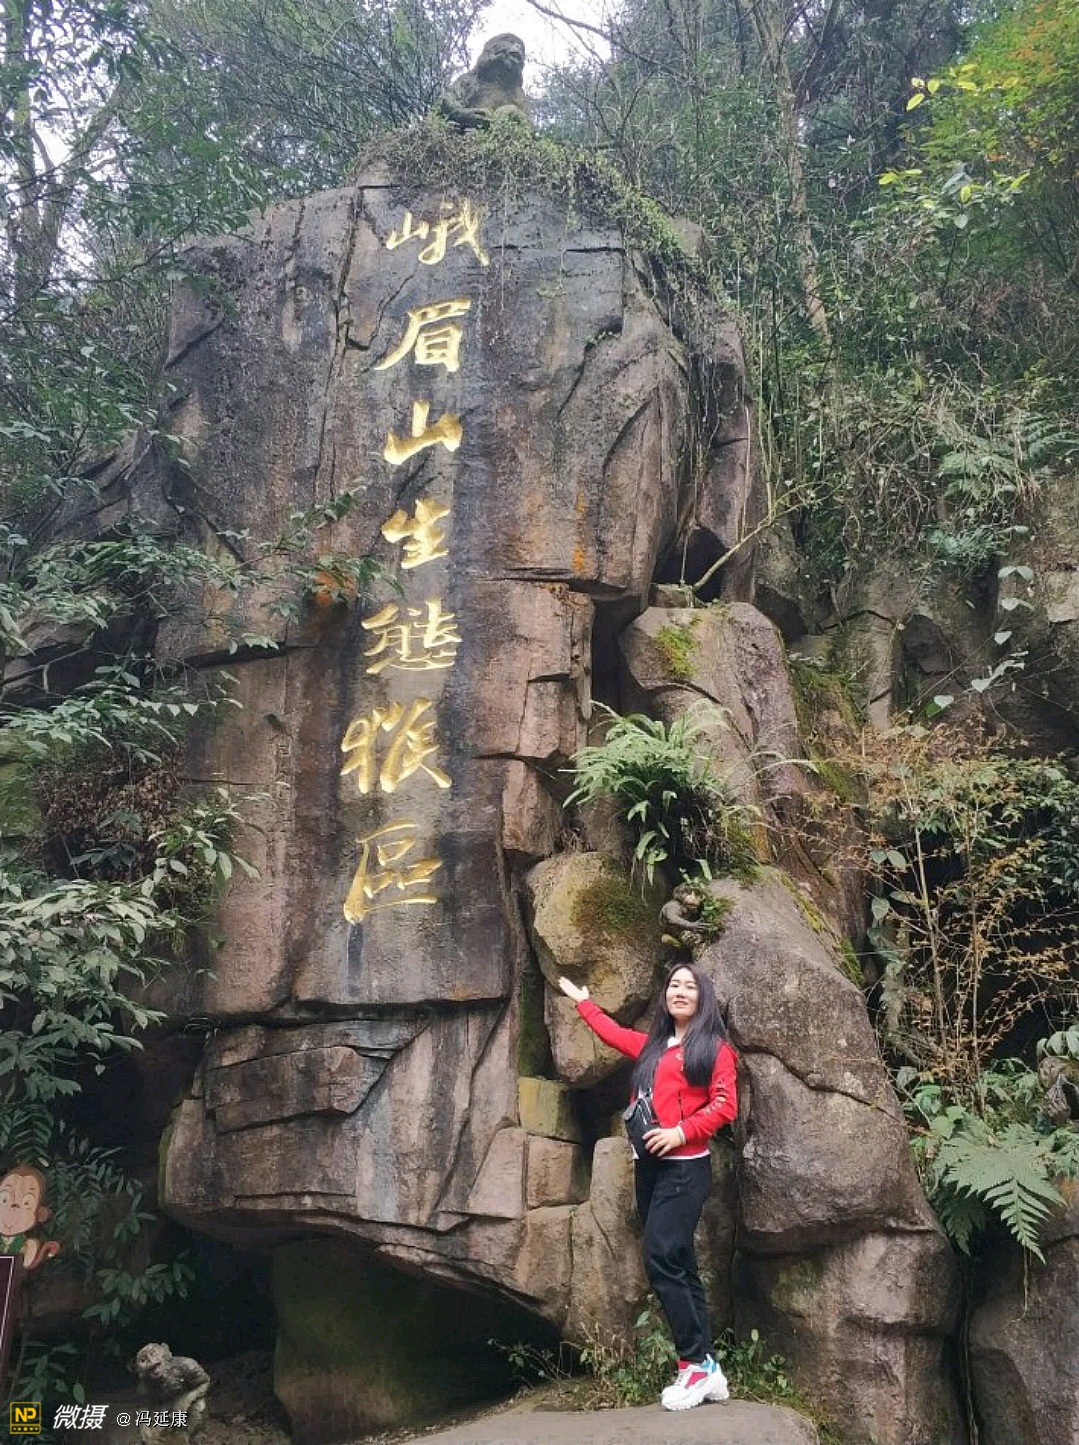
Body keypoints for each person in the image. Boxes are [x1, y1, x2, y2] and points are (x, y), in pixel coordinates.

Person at [557, 962, 738, 1412]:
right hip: (650, 1170)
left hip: (685, 1169)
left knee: (660, 1259)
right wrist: (584, 1004)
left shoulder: (713, 1050)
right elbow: (614, 1034)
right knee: (680, 1263)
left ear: (702, 998)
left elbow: (725, 1105)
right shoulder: (654, 1047)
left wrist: (680, 1133)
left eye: (689, 986)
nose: (680, 991)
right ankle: (707, 1366)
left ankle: (693, 1365)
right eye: (674, 985)